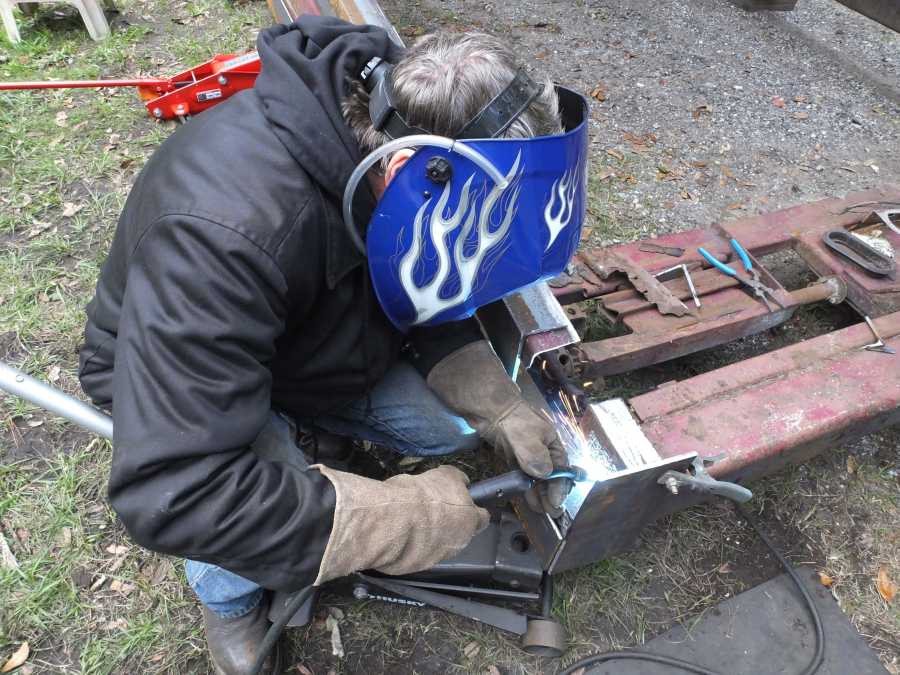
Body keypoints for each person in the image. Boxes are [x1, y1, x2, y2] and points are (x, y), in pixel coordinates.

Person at [78, 16, 587, 675]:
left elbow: (432, 266)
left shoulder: (395, 127)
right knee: (239, 494)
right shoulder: (220, 235)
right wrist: (399, 519)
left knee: (450, 426)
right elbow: (178, 486)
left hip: (308, 339)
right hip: (183, 390)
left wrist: (497, 403)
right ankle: (226, 600)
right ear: (410, 170)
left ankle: (310, 435)